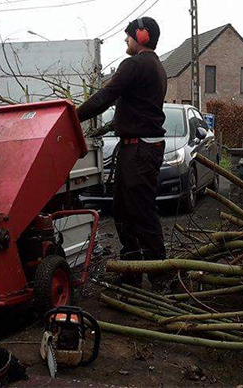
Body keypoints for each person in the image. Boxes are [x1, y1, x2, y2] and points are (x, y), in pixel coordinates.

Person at [77, 17, 167, 286]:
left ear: (142, 36)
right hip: (138, 149)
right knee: (125, 211)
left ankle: (162, 276)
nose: (125, 40)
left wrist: (71, 116)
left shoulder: (136, 64)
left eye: (128, 35)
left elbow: (105, 96)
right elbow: (133, 107)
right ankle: (132, 273)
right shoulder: (154, 67)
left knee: (140, 212)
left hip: (140, 150)